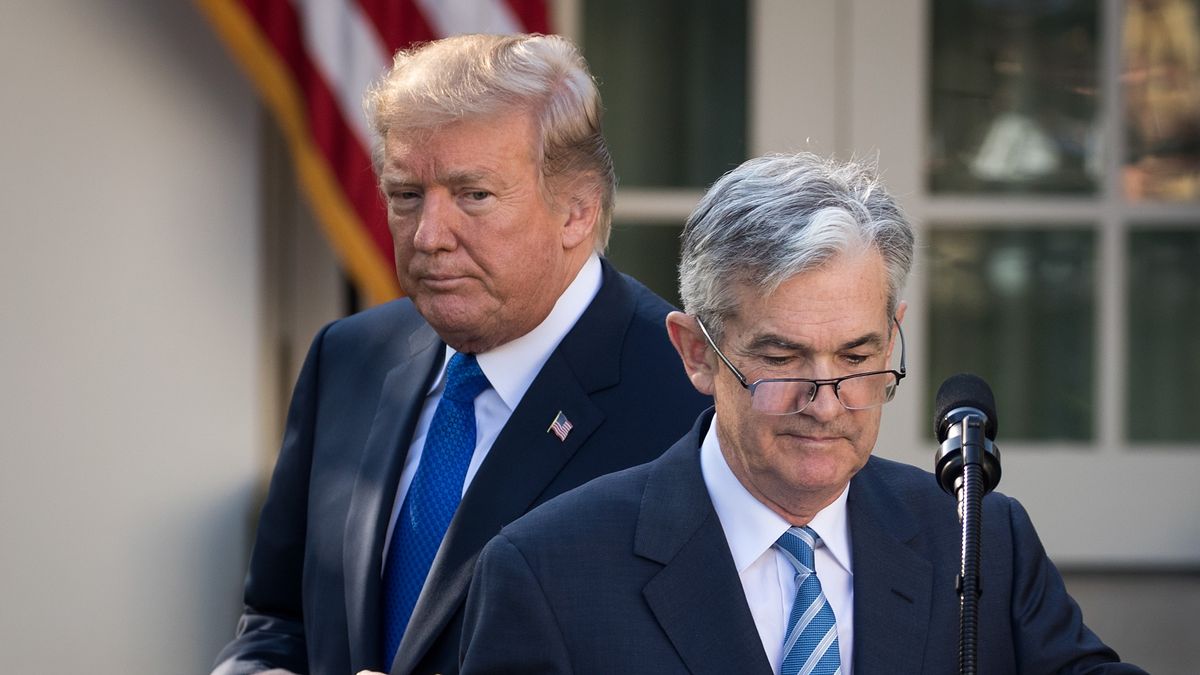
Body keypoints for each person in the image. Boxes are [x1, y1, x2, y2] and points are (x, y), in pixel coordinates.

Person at [459, 153, 1146, 674]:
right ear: (696, 352)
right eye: (783, 358)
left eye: (856, 357)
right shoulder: (546, 572)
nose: (825, 402)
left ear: (894, 331)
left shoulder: (979, 538)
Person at [212, 34, 710, 675]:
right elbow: (278, 622)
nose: (428, 236)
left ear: (577, 212)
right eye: (405, 195)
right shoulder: (349, 358)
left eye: (473, 195)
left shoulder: (689, 399)